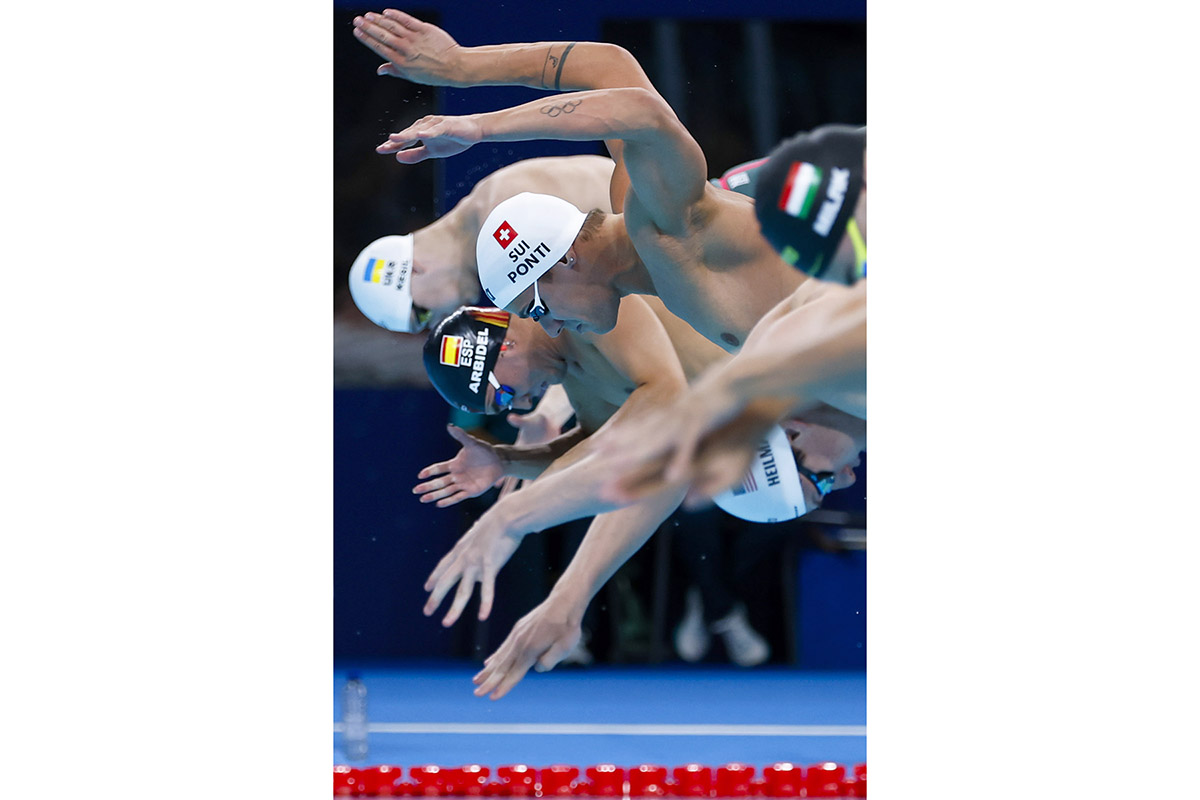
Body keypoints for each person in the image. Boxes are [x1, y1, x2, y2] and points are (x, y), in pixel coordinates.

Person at [353, 9, 814, 352]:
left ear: (565, 258)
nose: (550, 330)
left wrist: (480, 122)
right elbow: (610, 70)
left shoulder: (661, 227)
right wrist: (463, 68)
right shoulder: (647, 229)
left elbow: (641, 111)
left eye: (538, 310)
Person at [346, 154, 615, 335]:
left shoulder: (502, 223)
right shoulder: (489, 209)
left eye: (425, 315)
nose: (443, 320)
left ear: (414, 269)